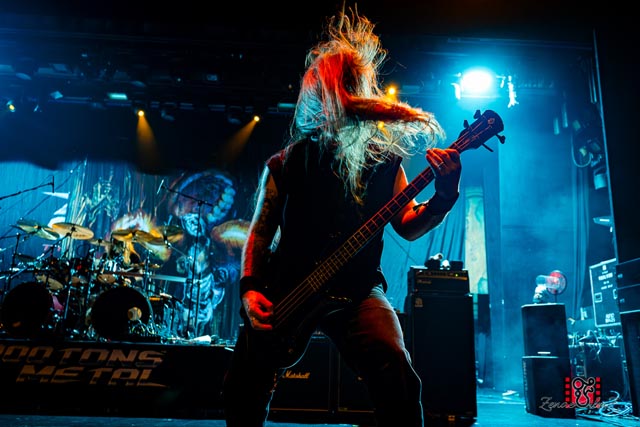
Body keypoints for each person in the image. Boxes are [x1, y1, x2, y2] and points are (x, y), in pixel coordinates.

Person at [223, 8, 462, 427]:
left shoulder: (384, 160)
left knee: (395, 365)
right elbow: (259, 233)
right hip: (287, 288)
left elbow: (407, 224)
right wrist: (250, 288)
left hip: (357, 289)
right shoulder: (286, 162)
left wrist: (444, 195)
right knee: (246, 385)